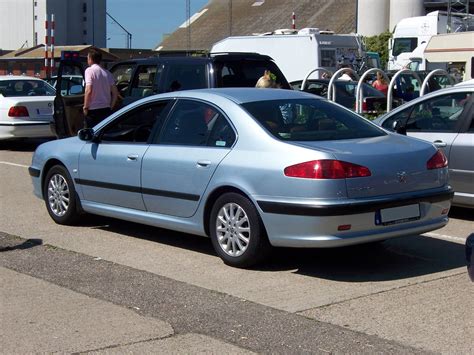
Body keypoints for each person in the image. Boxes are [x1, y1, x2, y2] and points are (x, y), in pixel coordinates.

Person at [83, 48, 119, 128]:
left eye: (87, 58)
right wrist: (110, 106)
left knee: (90, 135)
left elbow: (88, 90)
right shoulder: (107, 73)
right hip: (106, 109)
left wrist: (85, 107)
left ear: (91, 59)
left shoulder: (89, 71)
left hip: (93, 110)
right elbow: (115, 93)